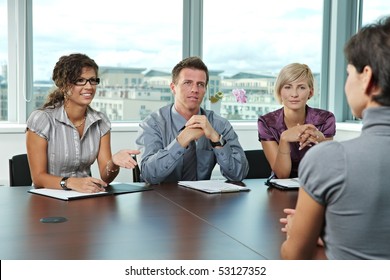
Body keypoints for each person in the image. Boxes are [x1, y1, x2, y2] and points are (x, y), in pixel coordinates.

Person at [280, 16, 390, 259]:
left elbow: (295, 256)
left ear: (367, 78)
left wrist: (304, 231)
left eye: (349, 72)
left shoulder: (329, 159)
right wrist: (337, 233)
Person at [26, 53, 140, 193]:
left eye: (92, 80)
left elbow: (106, 176)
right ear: (63, 85)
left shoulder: (100, 122)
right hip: (47, 199)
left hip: (85, 197)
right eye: (80, 80)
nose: (89, 87)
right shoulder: (42, 119)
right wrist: (71, 183)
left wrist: (114, 163)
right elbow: (38, 178)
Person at [136, 56, 249, 184]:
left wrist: (216, 140)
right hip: (161, 200)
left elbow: (239, 174)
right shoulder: (152, 124)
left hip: (203, 200)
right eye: (187, 83)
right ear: (173, 88)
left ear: (205, 90)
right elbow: (148, 175)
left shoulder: (219, 124)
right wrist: (182, 140)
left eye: (200, 84)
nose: (195, 89)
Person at [258, 63, 336, 179]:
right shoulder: (266, 122)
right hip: (280, 191)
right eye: (288, 87)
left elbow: (328, 168)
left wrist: (322, 142)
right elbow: (282, 175)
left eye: (301, 87)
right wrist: (284, 139)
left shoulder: (325, 119)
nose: (294, 94)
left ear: (311, 92)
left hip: (316, 185)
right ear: (279, 91)